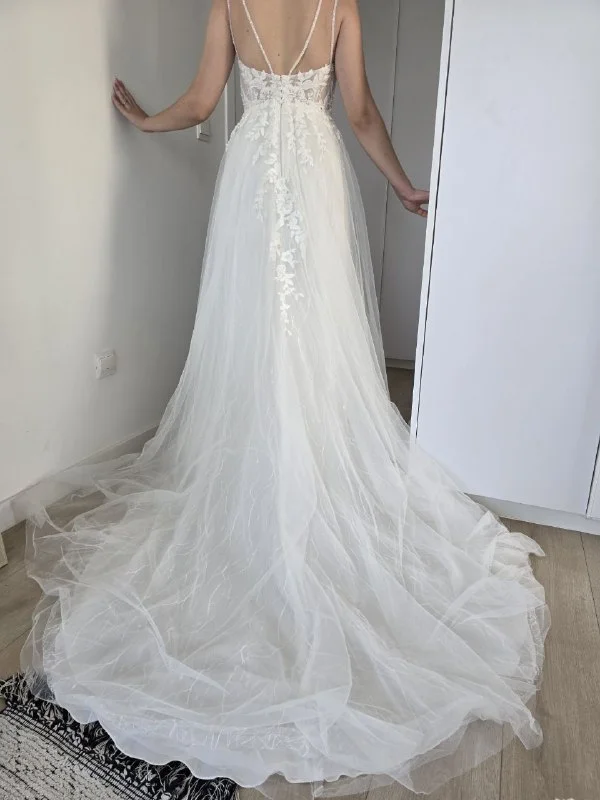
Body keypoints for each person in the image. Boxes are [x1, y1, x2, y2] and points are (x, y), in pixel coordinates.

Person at [20, 1, 549, 798]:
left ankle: (269, 472)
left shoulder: (231, 2)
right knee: (317, 334)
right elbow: (360, 112)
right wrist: (403, 183)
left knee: (255, 332)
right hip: (314, 172)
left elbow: (201, 102)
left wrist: (148, 120)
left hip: (253, 181)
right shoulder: (339, 4)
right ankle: (310, 470)